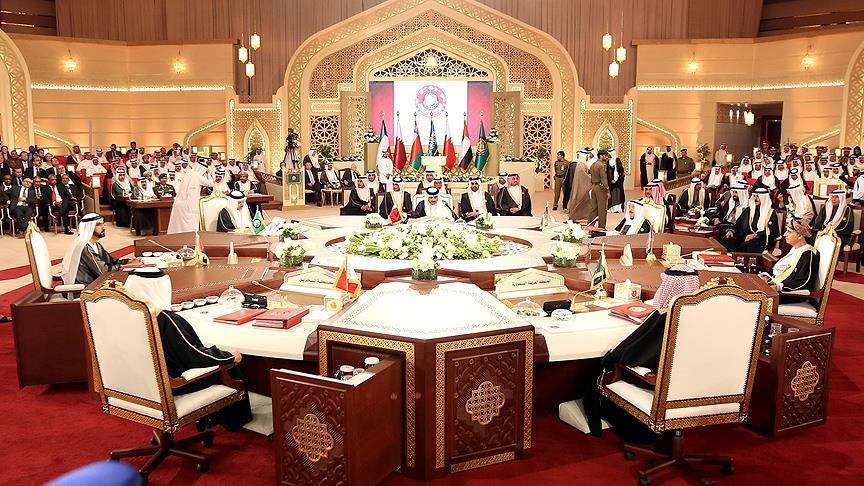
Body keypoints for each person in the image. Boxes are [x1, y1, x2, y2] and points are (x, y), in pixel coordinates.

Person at [123, 268, 252, 431]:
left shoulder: (125, 316)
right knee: (231, 365)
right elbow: (193, 354)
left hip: (139, 385)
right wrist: (228, 356)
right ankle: (234, 426)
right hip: (171, 386)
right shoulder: (163, 319)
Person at [581, 265, 701, 437]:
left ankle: (600, 430)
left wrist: (610, 358)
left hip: (657, 384)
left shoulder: (665, 317)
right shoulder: (701, 316)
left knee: (598, 374)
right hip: (692, 386)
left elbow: (632, 353)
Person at [61, 213, 133, 286]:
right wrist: (122, 266)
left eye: (103, 224)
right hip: (85, 288)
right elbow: (103, 272)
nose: (103, 228)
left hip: (94, 282)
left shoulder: (96, 244)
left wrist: (128, 262)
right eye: (99, 225)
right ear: (89, 227)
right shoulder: (85, 247)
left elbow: (111, 260)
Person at [762, 220, 820, 303]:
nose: (785, 234)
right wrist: (766, 276)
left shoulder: (808, 253)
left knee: (752, 298)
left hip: (790, 294)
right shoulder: (794, 249)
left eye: (789, 232)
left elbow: (803, 282)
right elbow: (779, 268)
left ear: (800, 235)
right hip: (776, 288)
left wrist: (778, 287)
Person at [724, 187, 779, 253]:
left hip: (760, 240)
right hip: (745, 237)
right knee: (728, 240)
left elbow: (773, 232)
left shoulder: (771, 213)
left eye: (758, 197)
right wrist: (731, 230)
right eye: (754, 196)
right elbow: (737, 224)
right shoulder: (748, 210)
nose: (755, 199)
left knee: (746, 245)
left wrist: (756, 235)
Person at [167, 160, 212, 234]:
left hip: (179, 203)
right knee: (190, 227)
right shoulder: (198, 176)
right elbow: (211, 184)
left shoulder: (187, 174)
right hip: (190, 205)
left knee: (179, 226)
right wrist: (208, 174)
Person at [566, 153, 593, 222]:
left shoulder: (582, 164)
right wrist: (592, 179)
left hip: (581, 184)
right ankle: (577, 216)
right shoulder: (581, 165)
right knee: (580, 201)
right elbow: (584, 176)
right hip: (581, 186)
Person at [588, 150, 610, 227]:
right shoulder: (601, 165)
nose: (607, 157)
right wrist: (607, 190)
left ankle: (590, 225)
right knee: (602, 208)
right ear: (601, 156)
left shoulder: (593, 165)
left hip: (593, 187)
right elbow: (604, 179)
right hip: (600, 188)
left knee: (593, 208)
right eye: (605, 156)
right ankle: (601, 226)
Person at [607, 148, 625, 213]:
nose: (608, 155)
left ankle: (618, 208)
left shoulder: (617, 159)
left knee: (618, 194)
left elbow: (619, 170)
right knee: (612, 194)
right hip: (611, 181)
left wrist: (616, 179)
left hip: (618, 181)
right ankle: (612, 208)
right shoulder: (609, 160)